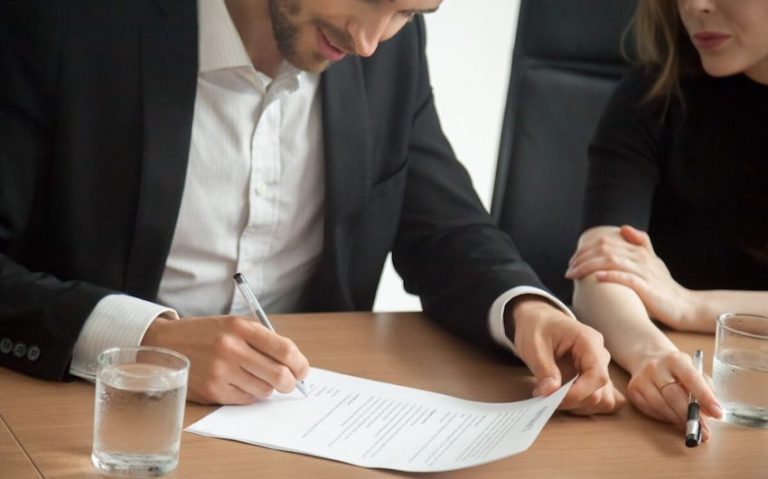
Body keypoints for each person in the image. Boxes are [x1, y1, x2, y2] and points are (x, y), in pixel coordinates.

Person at [0, 0, 624, 413]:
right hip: (96, 418)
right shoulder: (62, 22)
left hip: (300, 426)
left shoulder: (389, 48)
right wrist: (144, 342)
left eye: (409, 11)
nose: (370, 41)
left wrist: (525, 310)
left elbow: (446, 227)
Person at [566, 0, 768, 440]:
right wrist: (651, 354)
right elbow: (601, 264)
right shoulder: (655, 92)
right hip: (696, 400)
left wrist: (690, 305)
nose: (696, 5)